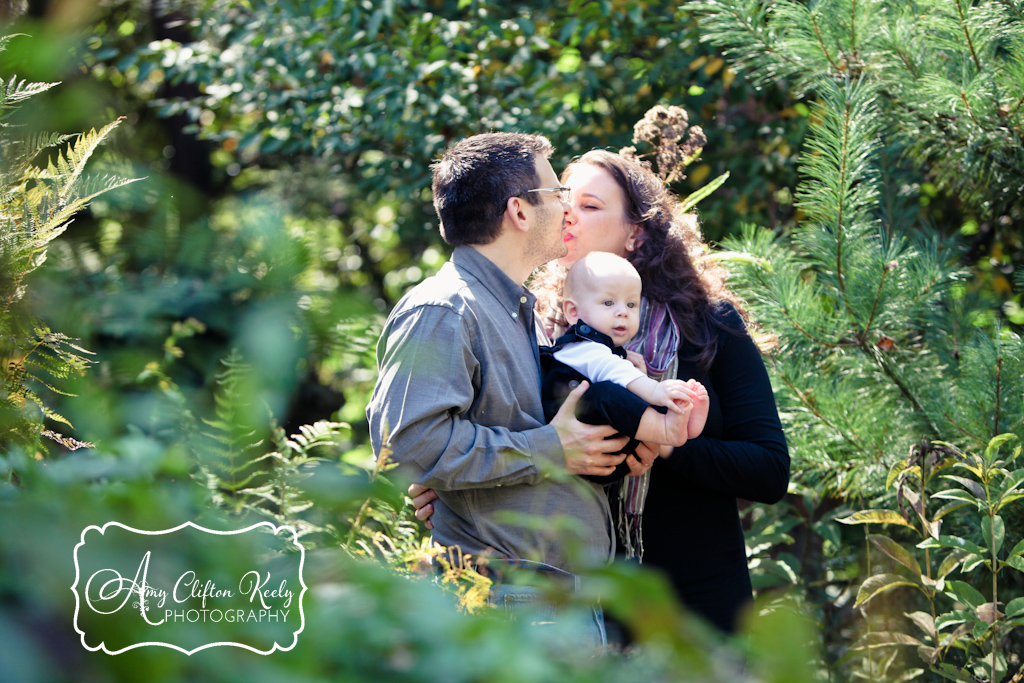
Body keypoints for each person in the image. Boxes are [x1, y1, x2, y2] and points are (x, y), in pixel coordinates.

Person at [411, 148, 790, 635]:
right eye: (565, 199)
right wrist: (446, 489)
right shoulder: (536, 332)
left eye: (591, 206)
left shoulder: (707, 326)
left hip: (695, 599)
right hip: (575, 599)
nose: (569, 213)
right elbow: (490, 446)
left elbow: (769, 471)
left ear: (636, 232)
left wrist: (663, 444)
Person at [366, 133, 631, 649]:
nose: (567, 208)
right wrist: (550, 449)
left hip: (553, 601)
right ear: (519, 211)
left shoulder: (511, 309)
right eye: (558, 195)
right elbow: (410, 450)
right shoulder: (444, 310)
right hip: (509, 606)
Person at [539, 251, 710, 485]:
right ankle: (667, 431)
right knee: (608, 392)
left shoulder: (613, 353)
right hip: (577, 442)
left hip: (608, 449)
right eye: (608, 303)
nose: (623, 311)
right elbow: (612, 370)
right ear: (573, 312)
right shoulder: (580, 347)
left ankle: (683, 422)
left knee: (630, 391)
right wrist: (656, 390)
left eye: (631, 304)